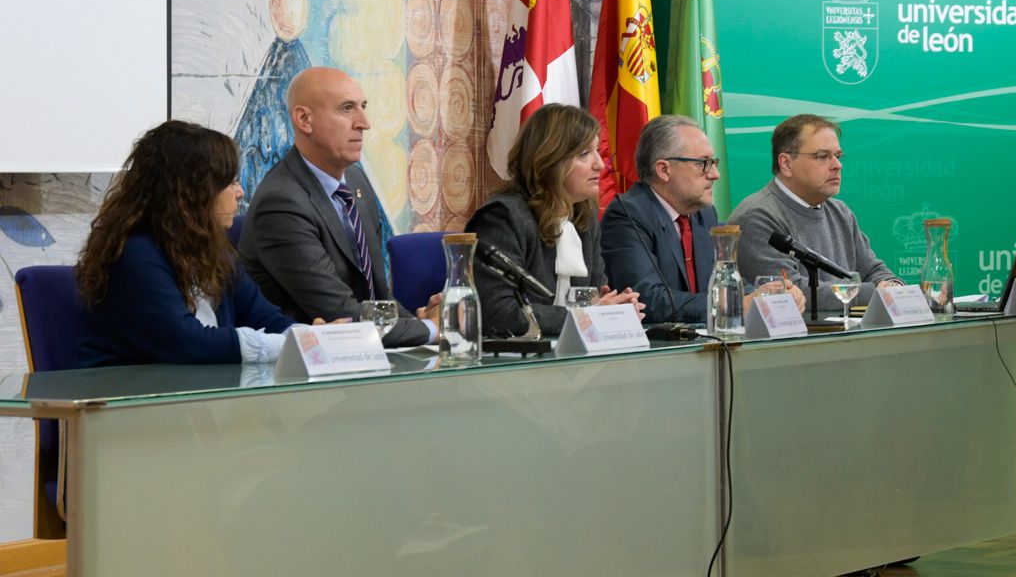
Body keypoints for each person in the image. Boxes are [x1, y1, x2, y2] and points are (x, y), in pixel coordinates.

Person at [238, 67, 439, 346]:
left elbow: (377, 297)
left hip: (361, 356)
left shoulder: (355, 180)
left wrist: (421, 325)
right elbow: (341, 315)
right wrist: (431, 329)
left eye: (363, 107)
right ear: (304, 119)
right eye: (347, 109)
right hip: (300, 373)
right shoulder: (281, 204)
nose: (364, 123)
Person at [75, 121, 299, 368]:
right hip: (129, 400)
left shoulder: (215, 251)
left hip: (195, 395)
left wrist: (316, 338)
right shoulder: (136, 253)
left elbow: (268, 320)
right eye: (231, 182)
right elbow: (189, 344)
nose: (240, 192)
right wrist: (292, 345)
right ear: (192, 193)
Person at [601, 115, 806, 323]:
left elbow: (723, 279)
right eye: (703, 164)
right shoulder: (628, 215)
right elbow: (648, 299)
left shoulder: (703, 213)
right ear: (664, 170)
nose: (715, 174)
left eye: (714, 163)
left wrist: (770, 295)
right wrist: (732, 305)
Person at [466, 104, 640, 337]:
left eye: (598, 151)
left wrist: (616, 311)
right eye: (584, 154)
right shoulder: (503, 218)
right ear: (550, 160)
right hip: (515, 363)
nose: (599, 164)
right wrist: (590, 316)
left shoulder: (583, 219)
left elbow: (594, 296)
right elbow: (498, 314)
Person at [729, 114, 901, 311]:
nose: (837, 165)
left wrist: (894, 287)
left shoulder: (841, 212)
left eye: (838, 155)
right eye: (822, 156)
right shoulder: (757, 217)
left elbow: (874, 271)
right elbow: (793, 294)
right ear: (786, 163)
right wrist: (878, 293)